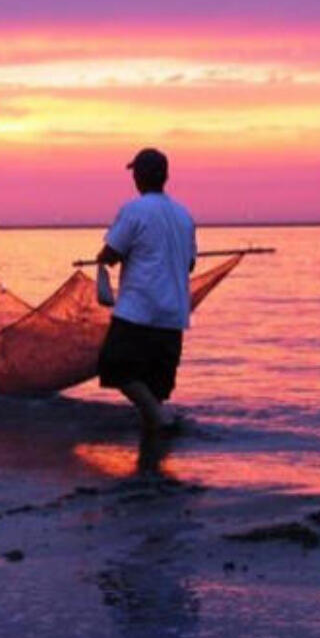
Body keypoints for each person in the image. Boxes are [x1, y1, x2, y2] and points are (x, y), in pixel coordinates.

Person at [96, 148, 197, 435]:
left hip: (138, 312)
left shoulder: (134, 210)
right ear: (165, 177)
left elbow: (112, 253)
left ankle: (159, 419)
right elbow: (188, 264)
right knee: (156, 386)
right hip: (173, 316)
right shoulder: (183, 215)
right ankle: (154, 448)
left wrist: (102, 258)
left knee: (114, 368)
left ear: (139, 177)